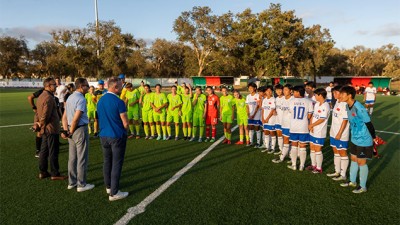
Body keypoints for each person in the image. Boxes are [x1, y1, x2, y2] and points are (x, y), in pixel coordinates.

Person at [97, 77, 129, 201]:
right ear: (115, 87)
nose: (122, 88)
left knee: (107, 161)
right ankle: (114, 193)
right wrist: (125, 131)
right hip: (116, 135)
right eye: (121, 86)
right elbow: (125, 122)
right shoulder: (119, 102)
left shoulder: (101, 100)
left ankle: (109, 187)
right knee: (116, 163)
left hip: (103, 135)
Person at [339, 86, 377, 194]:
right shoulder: (347, 106)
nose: (340, 96)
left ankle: (363, 186)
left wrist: (374, 138)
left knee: (361, 162)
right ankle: (352, 181)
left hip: (364, 139)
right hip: (355, 138)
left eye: (342, 94)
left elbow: (369, 123)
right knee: (354, 159)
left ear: (349, 95)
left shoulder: (359, 107)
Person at [62, 78, 94, 192]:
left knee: (72, 158)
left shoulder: (70, 97)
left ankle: (72, 182)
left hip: (70, 129)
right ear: (81, 86)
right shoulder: (81, 99)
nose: (88, 87)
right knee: (82, 157)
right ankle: (81, 184)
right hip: (79, 129)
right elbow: (76, 118)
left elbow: (64, 116)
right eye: (87, 85)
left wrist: (66, 131)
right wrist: (71, 131)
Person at [36, 78, 67, 180]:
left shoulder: (41, 96)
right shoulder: (49, 98)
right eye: (54, 84)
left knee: (44, 151)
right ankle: (55, 173)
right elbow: (45, 115)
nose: (56, 86)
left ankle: (43, 171)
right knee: (53, 151)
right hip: (51, 128)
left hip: (45, 129)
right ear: (48, 86)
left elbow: (37, 113)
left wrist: (39, 125)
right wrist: (42, 125)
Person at [287, 85, 313, 171]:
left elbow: (291, 112)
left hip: (294, 126)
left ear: (298, 92)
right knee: (303, 147)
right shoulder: (308, 101)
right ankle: (302, 166)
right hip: (304, 127)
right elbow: (309, 116)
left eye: (294, 92)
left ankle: (294, 165)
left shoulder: (291, 101)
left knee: (294, 146)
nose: (293, 93)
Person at [326, 85, 350, 181]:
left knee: (342, 152)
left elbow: (345, 121)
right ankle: (337, 171)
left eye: (336, 92)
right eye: (333, 93)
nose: (334, 94)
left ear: (342, 93)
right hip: (333, 132)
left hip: (341, 134)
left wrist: (339, 133)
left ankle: (343, 174)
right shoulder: (336, 102)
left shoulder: (345, 104)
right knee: (336, 152)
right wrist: (332, 130)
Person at [307, 88, 330, 174]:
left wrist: (312, 125)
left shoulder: (326, 105)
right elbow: (313, 114)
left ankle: (319, 168)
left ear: (320, 95)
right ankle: (313, 165)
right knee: (312, 147)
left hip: (320, 131)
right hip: (313, 129)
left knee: (317, 149)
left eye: (316, 95)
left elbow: (322, 119)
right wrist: (311, 125)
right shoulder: (317, 104)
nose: (314, 96)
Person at [272, 84, 293, 163]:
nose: (283, 91)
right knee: (286, 139)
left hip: (290, 124)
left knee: (288, 140)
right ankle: (288, 154)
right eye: (283, 90)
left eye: (285, 90)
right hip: (282, 122)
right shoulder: (281, 99)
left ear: (291, 91)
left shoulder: (293, 100)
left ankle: (283, 157)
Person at [28, 88, 44, 158]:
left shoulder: (56, 90)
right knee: (40, 131)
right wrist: (34, 107)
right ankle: (38, 150)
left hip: (49, 112)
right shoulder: (42, 91)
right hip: (40, 114)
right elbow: (30, 97)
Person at [261, 85, 277, 154]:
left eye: (270, 91)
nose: (269, 92)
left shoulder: (273, 99)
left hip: (271, 120)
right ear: (265, 92)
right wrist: (263, 118)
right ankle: (267, 147)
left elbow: (272, 110)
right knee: (266, 133)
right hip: (265, 119)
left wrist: (267, 118)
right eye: (267, 91)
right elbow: (263, 109)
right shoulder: (264, 100)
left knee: (272, 133)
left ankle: (273, 148)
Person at [246, 82, 262, 147]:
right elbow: (247, 106)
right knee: (250, 128)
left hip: (257, 115)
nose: (250, 89)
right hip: (250, 115)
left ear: (255, 88)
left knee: (257, 128)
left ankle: (258, 143)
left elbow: (258, 106)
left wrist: (254, 114)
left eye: (251, 88)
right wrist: (248, 114)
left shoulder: (257, 95)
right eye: (249, 88)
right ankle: (251, 141)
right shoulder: (248, 96)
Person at [274, 84, 284, 155]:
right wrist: (274, 110)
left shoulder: (285, 98)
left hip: (284, 121)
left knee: (285, 137)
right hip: (277, 120)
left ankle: (287, 151)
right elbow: (275, 108)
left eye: (280, 90)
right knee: (279, 135)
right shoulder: (276, 99)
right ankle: (281, 150)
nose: (278, 91)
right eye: (277, 90)